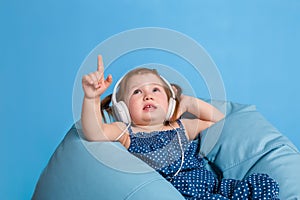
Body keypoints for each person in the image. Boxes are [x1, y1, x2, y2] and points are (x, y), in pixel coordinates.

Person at [81, 55, 280, 199]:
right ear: (122, 109)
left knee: (265, 185)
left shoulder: (180, 127)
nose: (147, 96)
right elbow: (94, 132)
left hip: (214, 187)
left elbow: (219, 123)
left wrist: (188, 103)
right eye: (137, 92)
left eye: (155, 89)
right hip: (182, 196)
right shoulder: (127, 132)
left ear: (170, 103)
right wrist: (91, 96)